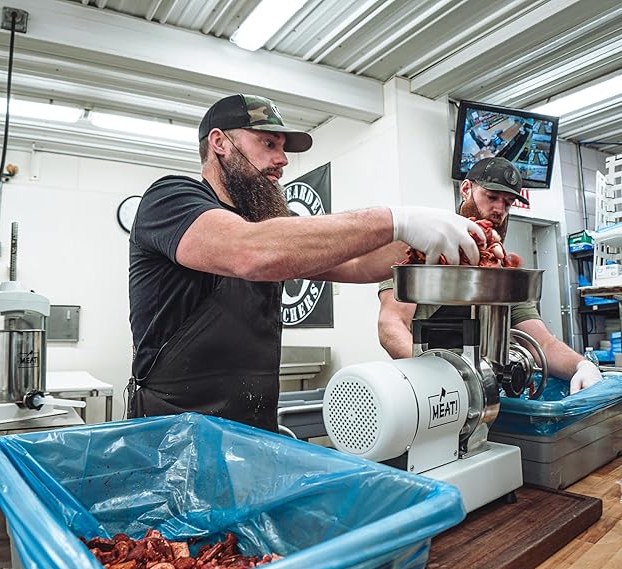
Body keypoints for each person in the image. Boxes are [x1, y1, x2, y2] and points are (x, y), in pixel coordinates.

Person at [128, 93, 488, 431]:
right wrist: (397, 219)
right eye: (268, 144)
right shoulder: (171, 199)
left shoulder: (268, 229)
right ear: (219, 142)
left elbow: (358, 263)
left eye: (283, 148)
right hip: (173, 432)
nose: (282, 160)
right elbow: (250, 251)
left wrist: (433, 243)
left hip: (252, 427)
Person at [377, 157, 602, 395]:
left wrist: (582, 366)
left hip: (485, 393)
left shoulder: (501, 270)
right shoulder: (423, 248)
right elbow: (392, 326)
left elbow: (542, 343)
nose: (499, 210)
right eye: (492, 197)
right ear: (466, 189)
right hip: (428, 393)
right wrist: (436, 382)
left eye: (508, 203)